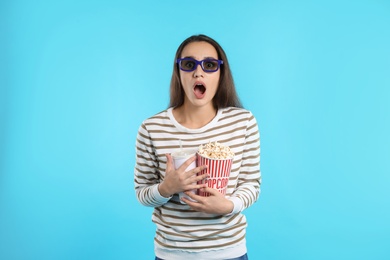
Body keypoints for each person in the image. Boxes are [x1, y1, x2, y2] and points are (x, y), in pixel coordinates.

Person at [134, 34, 261, 260]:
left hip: (229, 252)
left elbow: (251, 184)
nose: (198, 72)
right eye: (189, 64)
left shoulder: (243, 122)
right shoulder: (152, 128)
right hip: (171, 254)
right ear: (178, 72)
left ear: (221, 73)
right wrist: (166, 188)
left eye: (210, 65)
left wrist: (229, 205)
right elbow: (142, 193)